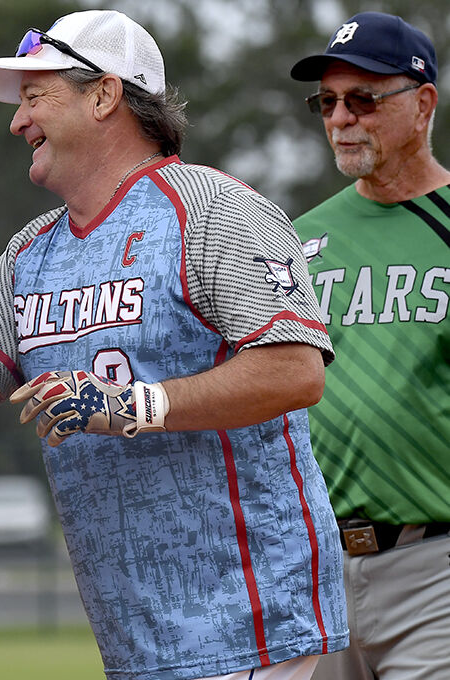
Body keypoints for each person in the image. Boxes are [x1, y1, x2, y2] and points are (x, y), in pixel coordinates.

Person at [0, 9, 348, 680]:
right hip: (138, 640)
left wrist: (133, 404)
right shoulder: (31, 251)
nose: (18, 122)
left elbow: (294, 371)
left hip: (244, 620)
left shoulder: (215, 209)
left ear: (104, 95)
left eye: (34, 97)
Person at [290, 11, 450, 680]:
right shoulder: (295, 239)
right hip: (314, 569)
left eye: (363, 99)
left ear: (422, 105)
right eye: (327, 101)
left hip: (433, 568)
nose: (340, 118)